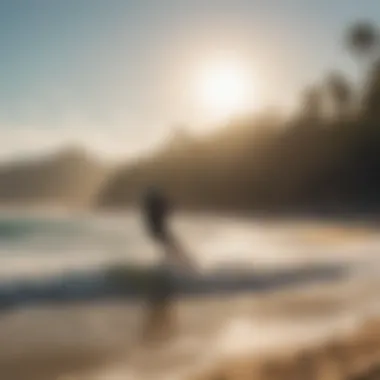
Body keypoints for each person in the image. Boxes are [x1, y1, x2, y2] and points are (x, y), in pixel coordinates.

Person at [141, 186, 195, 340]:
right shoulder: (154, 204)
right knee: (173, 246)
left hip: (156, 230)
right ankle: (183, 265)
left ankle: (175, 265)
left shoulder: (153, 204)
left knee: (171, 247)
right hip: (158, 230)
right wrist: (171, 205)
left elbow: (167, 209)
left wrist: (170, 205)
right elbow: (167, 209)